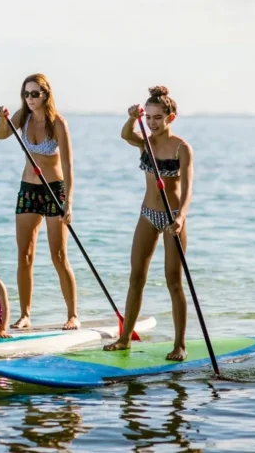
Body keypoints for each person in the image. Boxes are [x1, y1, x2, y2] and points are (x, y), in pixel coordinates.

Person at [104, 86, 194, 360]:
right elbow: (124, 134)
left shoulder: (181, 147)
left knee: (173, 281)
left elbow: (188, 188)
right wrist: (133, 118)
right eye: (149, 117)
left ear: (171, 117)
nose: (152, 123)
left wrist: (180, 217)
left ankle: (179, 345)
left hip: (172, 217)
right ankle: (124, 339)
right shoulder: (145, 140)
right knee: (136, 277)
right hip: (147, 214)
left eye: (158, 118)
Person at [0, 73, 80, 330]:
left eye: (34, 94)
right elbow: (0, 135)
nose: (29, 98)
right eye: (26, 93)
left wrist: (69, 203)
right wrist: (3, 119)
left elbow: (68, 165)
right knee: (25, 255)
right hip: (28, 190)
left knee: (59, 255)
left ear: (45, 94)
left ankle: (73, 315)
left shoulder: (58, 124)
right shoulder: (22, 116)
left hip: (55, 190)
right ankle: (25, 315)